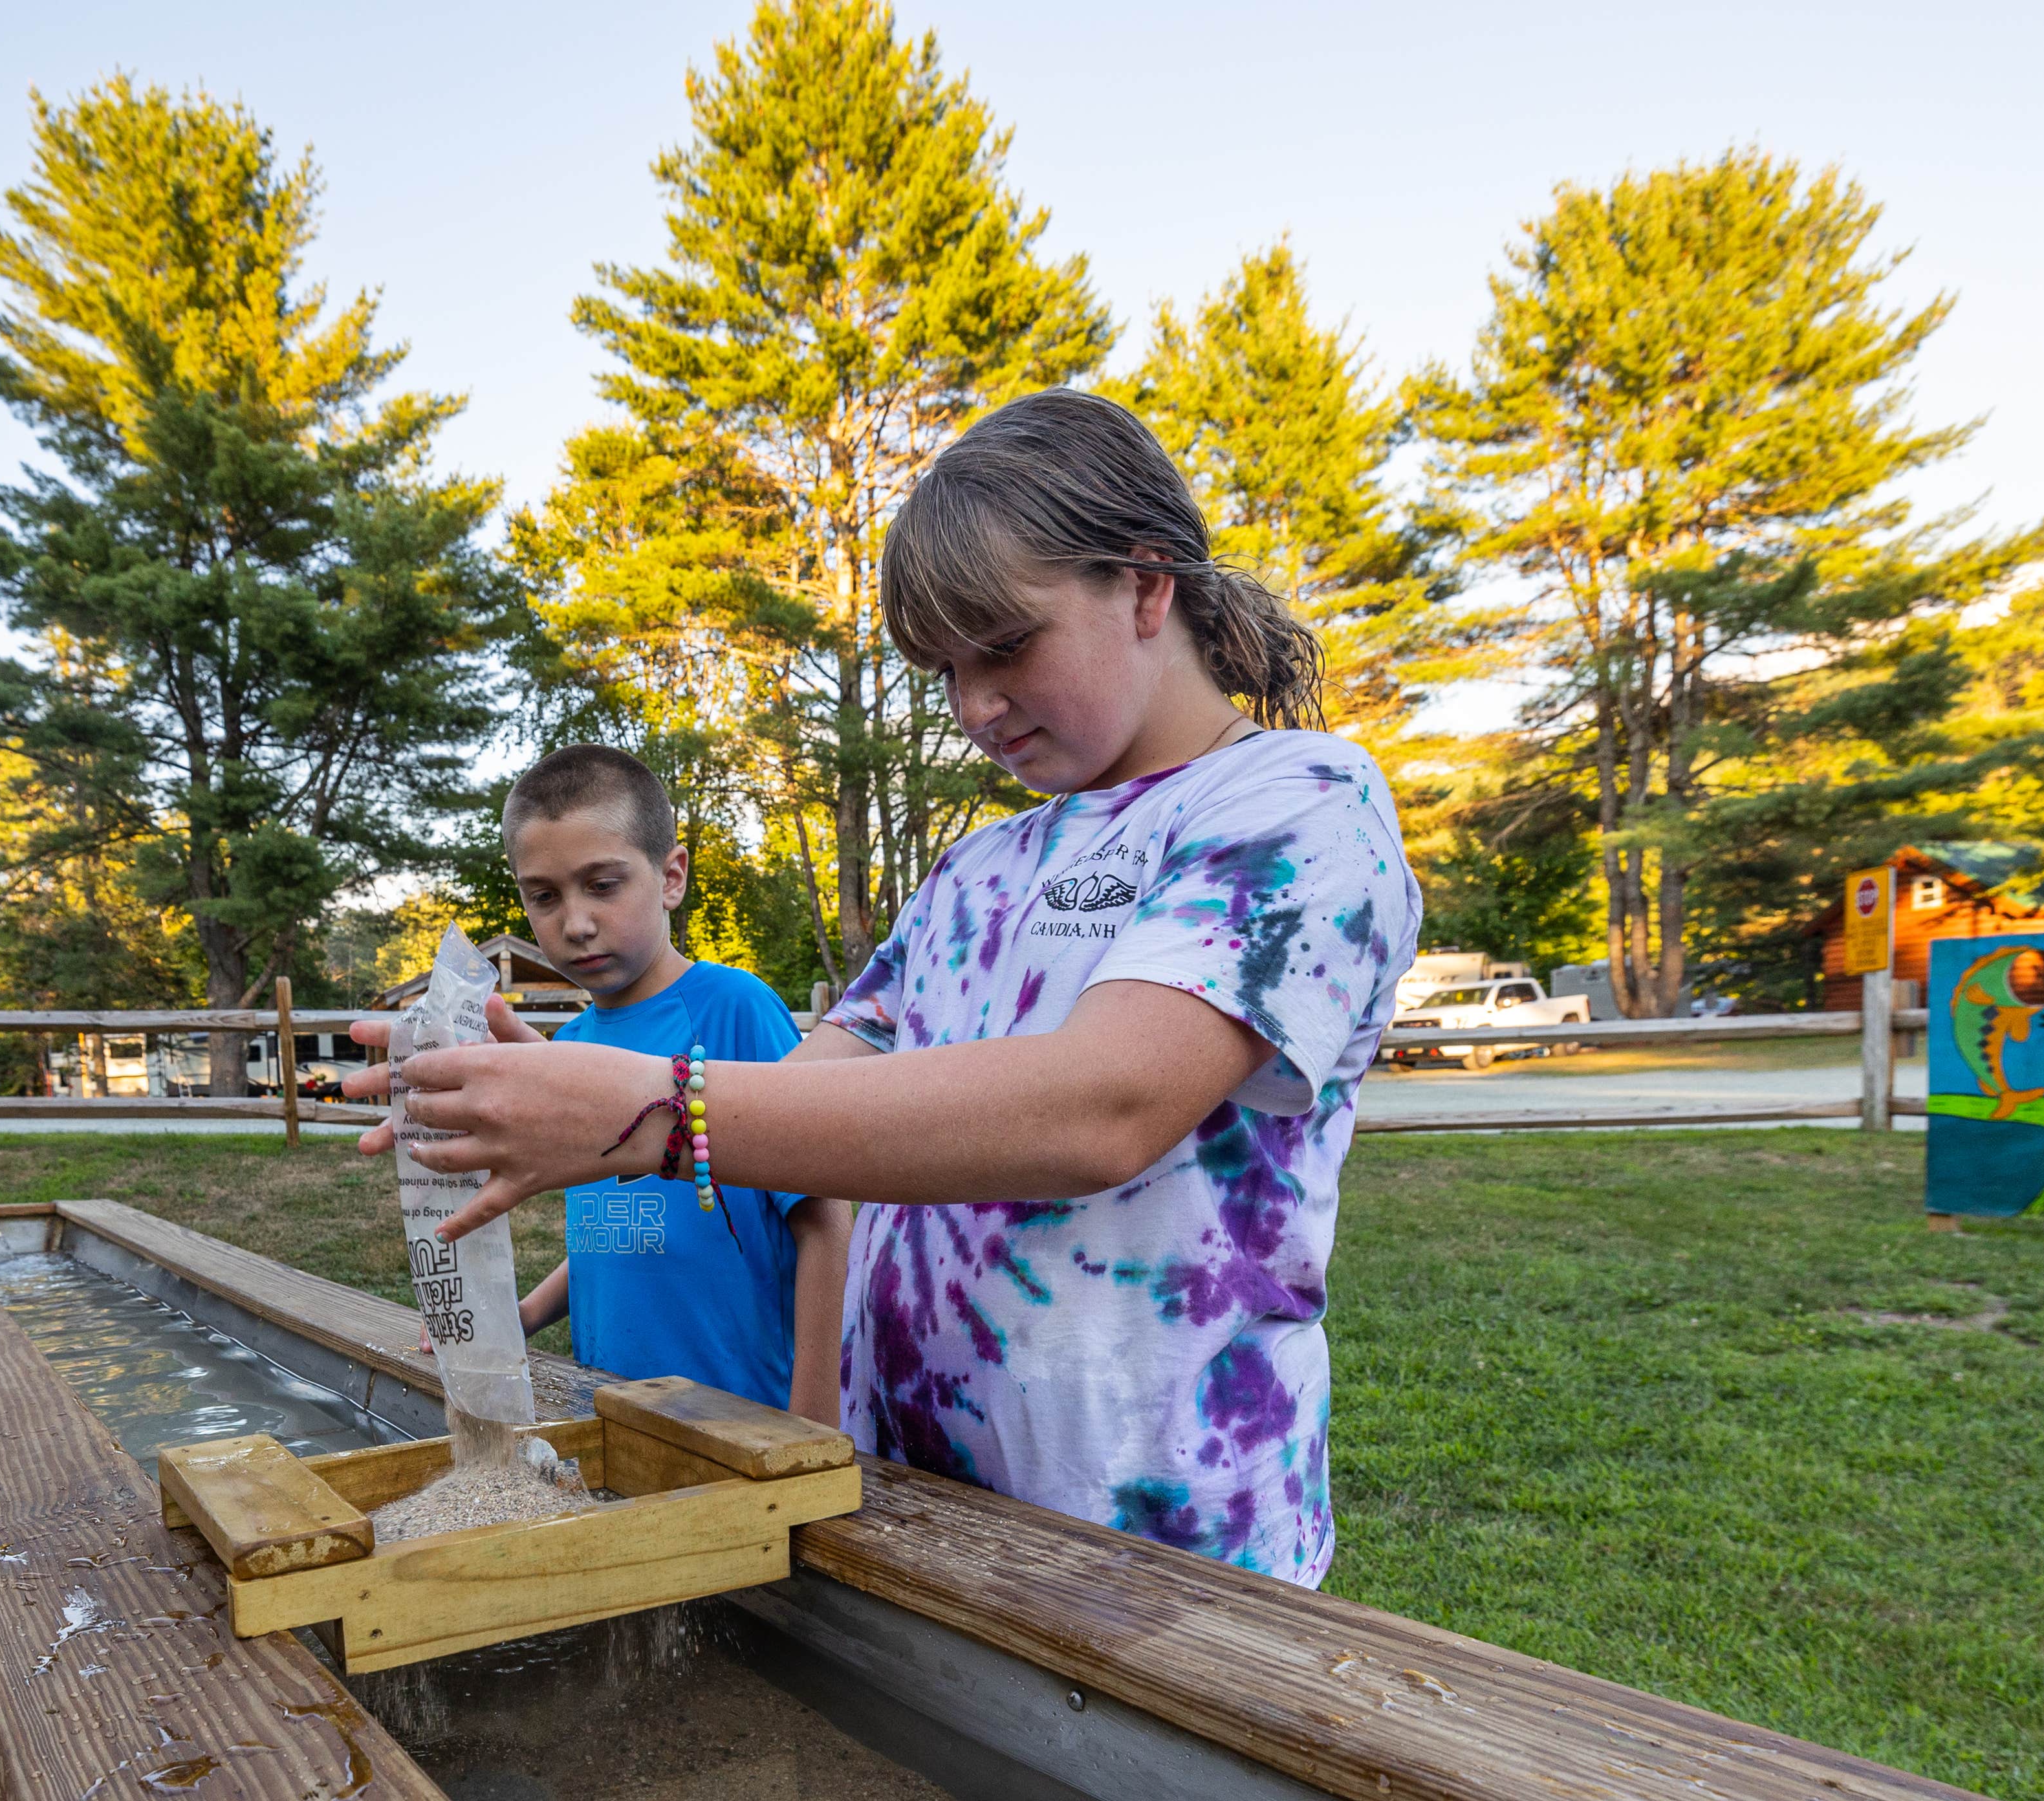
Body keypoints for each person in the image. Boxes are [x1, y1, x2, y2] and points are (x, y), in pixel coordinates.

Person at [353, 390, 1419, 1588]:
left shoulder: (1298, 802)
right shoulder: (980, 865)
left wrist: (654, 1108)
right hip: (907, 1511)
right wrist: (553, 1097)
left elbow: (1102, 1107)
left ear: (1147, 583)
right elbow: (796, 1103)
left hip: (1162, 1553)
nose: (973, 708)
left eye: (1004, 646)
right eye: (944, 671)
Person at [492, 743, 850, 1422]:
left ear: (671, 876)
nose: (576, 923)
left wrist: (811, 1425)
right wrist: (528, 1313)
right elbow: (616, 1229)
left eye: (603, 884)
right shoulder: (567, 1047)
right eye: (544, 896)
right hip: (609, 1411)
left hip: (742, 1416)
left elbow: (824, 1220)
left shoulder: (733, 1008)